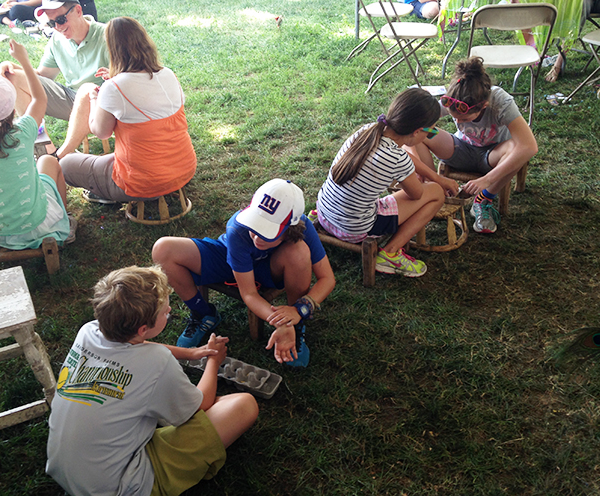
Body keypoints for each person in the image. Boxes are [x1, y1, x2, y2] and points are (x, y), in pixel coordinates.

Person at [46, 265, 259, 496]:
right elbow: (201, 404)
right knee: (243, 405)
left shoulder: (89, 331)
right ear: (144, 327)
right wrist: (213, 361)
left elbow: (137, 343)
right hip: (120, 487)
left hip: (67, 470)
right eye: (165, 311)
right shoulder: (157, 361)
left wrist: (191, 353)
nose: (169, 309)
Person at [152, 179, 336, 368]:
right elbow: (248, 293)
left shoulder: (303, 226)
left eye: (267, 232)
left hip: (272, 268)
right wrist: (280, 323)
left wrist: (299, 310)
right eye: (254, 226)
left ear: (291, 228)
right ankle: (203, 314)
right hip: (229, 258)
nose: (256, 237)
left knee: (299, 252)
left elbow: (327, 279)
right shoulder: (238, 230)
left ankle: (295, 326)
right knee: (163, 249)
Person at [315, 88, 455, 279]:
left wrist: (436, 176)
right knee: (435, 193)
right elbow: (417, 195)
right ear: (416, 132)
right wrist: (434, 182)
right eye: (431, 131)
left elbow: (403, 157)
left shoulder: (369, 130)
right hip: (354, 229)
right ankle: (390, 253)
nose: (430, 135)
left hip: (325, 213)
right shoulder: (396, 158)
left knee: (432, 185)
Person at [59, 16, 196, 203]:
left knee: (66, 164)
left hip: (142, 183)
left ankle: (108, 193)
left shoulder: (114, 87)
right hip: (184, 170)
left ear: (112, 49)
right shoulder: (168, 74)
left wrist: (94, 97)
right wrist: (117, 79)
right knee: (115, 158)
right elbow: (144, 92)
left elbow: (101, 132)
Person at [0, 40, 75, 250]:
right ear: (12, 109)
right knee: (48, 161)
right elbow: (39, 98)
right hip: (37, 223)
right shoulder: (24, 131)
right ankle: (63, 220)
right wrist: (24, 61)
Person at [410, 57, 538, 234]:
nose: (458, 121)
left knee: (515, 147)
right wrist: (429, 175)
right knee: (421, 133)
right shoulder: (456, 97)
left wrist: (487, 180)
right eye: (454, 117)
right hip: (461, 148)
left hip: (493, 157)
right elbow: (412, 126)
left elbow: (530, 146)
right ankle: (433, 191)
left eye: (464, 119)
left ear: (484, 106)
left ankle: (483, 200)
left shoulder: (500, 101)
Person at [0, 0, 108, 154]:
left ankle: (62, 155)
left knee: (87, 90)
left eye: (61, 20)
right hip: (72, 99)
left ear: (78, 11)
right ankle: (47, 152)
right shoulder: (57, 40)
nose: (57, 27)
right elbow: (42, 76)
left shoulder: (107, 35)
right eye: (52, 23)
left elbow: (128, 78)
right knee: (12, 77)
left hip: (101, 103)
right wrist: (15, 64)